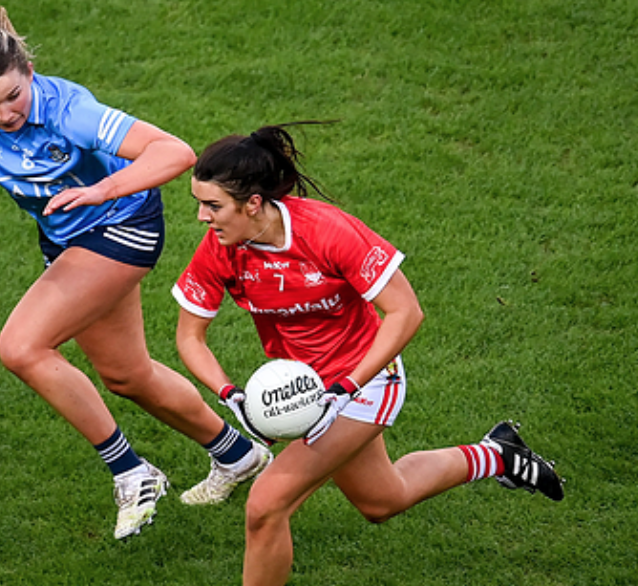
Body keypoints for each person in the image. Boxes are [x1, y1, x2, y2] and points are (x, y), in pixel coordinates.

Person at [0, 6, 271, 541]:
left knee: (21, 347)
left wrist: (99, 190)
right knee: (126, 375)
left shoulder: (68, 108)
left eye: (13, 97)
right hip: (68, 240)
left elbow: (176, 152)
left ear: (29, 73)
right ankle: (237, 455)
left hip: (122, 224)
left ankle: (133, 473)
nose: (2, 114)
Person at [172, 123, 565, 585]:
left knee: (265, 506)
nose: (202, 216)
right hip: (306, 392)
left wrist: (345, 388)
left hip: (365, 383)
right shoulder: (221, 250)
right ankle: (498, 454)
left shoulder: (327, 232)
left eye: (212, 205)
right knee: (382, 501)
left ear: (253, 203)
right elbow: (190, 337)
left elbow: (405, 312)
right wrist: (231, 395)